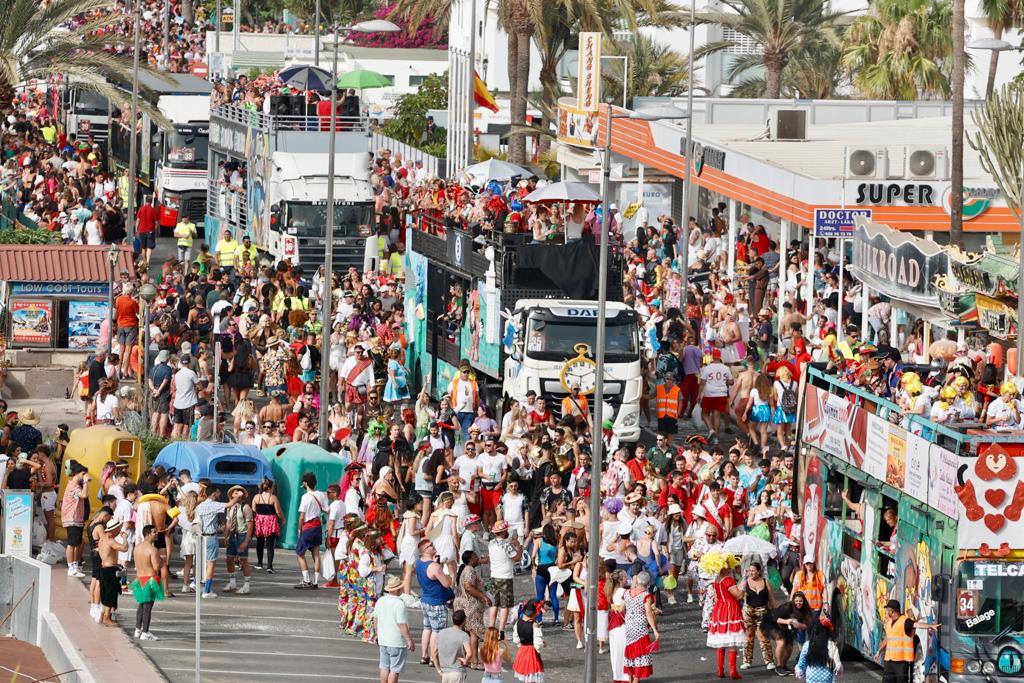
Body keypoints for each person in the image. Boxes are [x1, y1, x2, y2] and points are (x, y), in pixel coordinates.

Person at [702, 551, 745, 680]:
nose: (730, 565)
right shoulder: (728, 580)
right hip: (730, 608)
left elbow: (716, 597)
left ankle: (720, 670)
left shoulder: (717, 580)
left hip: (719, 608)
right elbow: (738, 595)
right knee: (732, 639)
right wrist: (743, 586)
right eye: (727, 563)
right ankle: (733, 671)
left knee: (721, 640)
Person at [417, 537, 455, 666]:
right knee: (437, 631)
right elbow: (446, 583)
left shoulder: (420, 562)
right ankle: (434, 658)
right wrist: (450, 575)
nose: (434, 546)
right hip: (437, 602)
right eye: (430, 546)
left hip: (426, 599)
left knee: (427, 628)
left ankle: (424, 655)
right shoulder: (434, 567)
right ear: (425, 551)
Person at [374, 575, 416, 683]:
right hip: (396, 642)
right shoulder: (399, 604)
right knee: (395, 669)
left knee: (384, 666)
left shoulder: (381, 601)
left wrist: (377, 635)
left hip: (383, 640)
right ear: (397, 589)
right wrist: (409, 640)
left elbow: (375, 620)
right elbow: (401, 624)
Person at [453, 550, 489, 669]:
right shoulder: (469, 570)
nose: (477, 558)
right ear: (470, 559)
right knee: (474, 633)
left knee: (468, 632)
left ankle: (468, 659)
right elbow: (468, 586)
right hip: (471, 605)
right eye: (475, 556)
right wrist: (482, 596)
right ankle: (474, 661)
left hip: (464, 604)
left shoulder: (466, 569)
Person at [622, 571, 660, 683]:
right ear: (648, 584)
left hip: (629, 626)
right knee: (640, 653)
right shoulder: (646, 596)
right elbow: (648, 614)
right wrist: (655, 630)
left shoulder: (627, 592)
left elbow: (621, 608)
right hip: (640, 628)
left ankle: (630, 678)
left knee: (630, 651)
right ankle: (636, 679)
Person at [131, 524, 166, 641]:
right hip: (150, 579)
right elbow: (156, 567)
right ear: (147, 534)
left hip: (139, 579)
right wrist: (162, 561)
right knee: (147, 608)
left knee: (141, 605)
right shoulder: (152, 549)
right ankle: (145, 632)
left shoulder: (137, 548)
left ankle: (137, 629)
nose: (156, 533)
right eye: (154, 532)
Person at [739, 561, 776, 671]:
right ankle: (747, 661)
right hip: (748, 611)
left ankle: (769, 661)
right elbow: (739, 596)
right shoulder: (745, 582)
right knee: (749, 636)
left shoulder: (766, 582)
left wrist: (776, 613)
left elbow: (772, 599)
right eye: (749, 571)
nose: (751, 573)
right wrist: (742, 584)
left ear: (759, 572)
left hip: (763, 611)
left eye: (753, 570)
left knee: (762, 636)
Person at [488, 519, 523, 633]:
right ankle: (501, 630)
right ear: (503, 531)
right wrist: (519, 547)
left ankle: (491, 628)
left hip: (494, 576)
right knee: (504, 605)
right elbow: (516, 558)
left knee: (494, 604)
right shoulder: (506, 545)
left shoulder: (491, 543)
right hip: (505, 577)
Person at [295, 471, 328, 589]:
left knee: (300, 553)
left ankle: (306, 579)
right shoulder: (322, 494)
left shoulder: (305, 497)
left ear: (305, 483)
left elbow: (302, 516)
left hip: (308, 527)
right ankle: (315, 581)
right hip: (317, 526)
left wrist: (299, 530)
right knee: (316, 554)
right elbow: (326, 510)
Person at [62, 460, 91, 577]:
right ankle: (70, 567)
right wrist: (86, 483)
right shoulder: (73, 486)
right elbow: (84, 495)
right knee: (72, 543)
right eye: (83, 474)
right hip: (71, 518)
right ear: (77, 473)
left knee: (77, 543)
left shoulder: (75, 485)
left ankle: (75, 565)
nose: (85, 476)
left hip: (77, 518)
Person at [223, 485, 253, 594]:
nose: (237, 494)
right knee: (229, 559)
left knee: (243, 560)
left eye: (239, 492)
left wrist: (246, 541)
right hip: (232, 535)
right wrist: (226, 536)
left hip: (242, 535)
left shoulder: (245, 507)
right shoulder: (230, 507)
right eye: (235, 492)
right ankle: (232, 582)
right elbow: (228, 523)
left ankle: (246, 585)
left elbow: (250, 525)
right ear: (232, 495)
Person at [97, 519, 127, 626]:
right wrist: (124, 538)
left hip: (104, 568)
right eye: (118, 528)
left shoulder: (102, 539)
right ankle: (106, 617)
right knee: (111, 593)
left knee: (105, 592)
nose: (119, 530)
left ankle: (104, 614)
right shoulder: (110, 540)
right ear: (113, 529)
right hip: (110, 570)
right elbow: (124, 548)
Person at [252, 478, 283, 572]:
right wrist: (283, 519)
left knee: (259, 543)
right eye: (272, 487)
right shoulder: (273, 497)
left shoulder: (256, 497)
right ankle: (269, 566)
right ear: (269, 488)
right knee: (270, 545)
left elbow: (254, 511)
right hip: (270, 521)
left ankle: (259, 563)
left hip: (259, 521)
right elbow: (278, 511)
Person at [512, 599, 545, 683]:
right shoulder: (535, 625)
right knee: (532, 675)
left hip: (522, 651)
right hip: (531, 653)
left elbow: (516, 639)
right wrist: (541, 646)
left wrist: (521, 645)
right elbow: (538, 644)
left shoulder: (518, 622)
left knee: (527, 676)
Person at [436, 609, 472, 683]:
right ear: (464, 621)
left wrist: (439, 670)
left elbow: (434, 653)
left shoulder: (442, 632)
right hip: (457, 671)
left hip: (445, 672)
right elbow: (469, 653)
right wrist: (466, 662)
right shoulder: (464, 635)